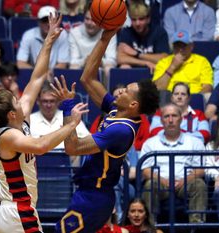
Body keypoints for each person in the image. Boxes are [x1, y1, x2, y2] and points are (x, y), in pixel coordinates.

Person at [0, 13, 87, 233]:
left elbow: (37, 78)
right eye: (15, 101)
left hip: (17, 210)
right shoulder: (8, 136)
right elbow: (41, 146)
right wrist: (70, 125)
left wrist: (48, 41)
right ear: (11, 114)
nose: (20, 99)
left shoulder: (19, 117)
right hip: (16, 211)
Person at [52, 28, 160, 232]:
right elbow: (88, 78)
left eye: (127, 91)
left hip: (95, 197)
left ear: (134, 105)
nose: (121, 91)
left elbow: (73, 148)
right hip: (91, 193)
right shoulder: (116, 109)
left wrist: (67, 106)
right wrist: (105, 38)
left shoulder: (121, 130)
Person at [140, 103, 207, 224]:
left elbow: (201, 169)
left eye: (174, 116)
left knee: (199, 184)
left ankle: (197, 226)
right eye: (166, 116)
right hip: (161, 183)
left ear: (181, 119)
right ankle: (150, 226)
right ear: (161, 120)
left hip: (185, 183)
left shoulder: (195, 142)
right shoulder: (150, 143)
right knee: (150, 184)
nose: (170, 120)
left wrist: (185, 180)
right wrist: (163, 180)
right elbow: (145, 171)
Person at [30, 81, 90, 166]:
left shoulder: (70, 118)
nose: (48, 105)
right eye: (45, 101)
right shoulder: (30, 119)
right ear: (38, 101)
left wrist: (73, 138)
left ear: (58, 101)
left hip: (67, 168)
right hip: (38, 168)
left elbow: (88, 139)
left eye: (52, 101)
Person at [152, 30, 213, 98]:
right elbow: (157, 88)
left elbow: (207, 87)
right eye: (177, 46)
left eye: (183, 46)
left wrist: (194, 100)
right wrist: (172, 67)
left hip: (193, 98)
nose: (180, 49)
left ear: (191, 46)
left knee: (208, 96)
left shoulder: (202, 61)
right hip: (169, 100)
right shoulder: (163, 62)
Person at [68, 6, 116, 83]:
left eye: (94, 20)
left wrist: (99, 61)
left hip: (101, 67)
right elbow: (73, 61)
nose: (90, 23)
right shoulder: (74, 32)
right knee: (73, 68)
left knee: (109, 68)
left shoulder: (109, 32)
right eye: (87, 19)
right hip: (82, 67)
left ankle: (107, 93)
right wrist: (85, 61)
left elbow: (112, 60)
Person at [117, 1, 169, 72]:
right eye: (134, 20)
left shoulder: (159, 32)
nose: (137, 23)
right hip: (134, 70)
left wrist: (137, 54)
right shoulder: (126, 32)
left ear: (148, 19)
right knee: (124, 66)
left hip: (154, 70)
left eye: (141, 19)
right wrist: (145, 63)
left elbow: (164, 58)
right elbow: (120, 58)